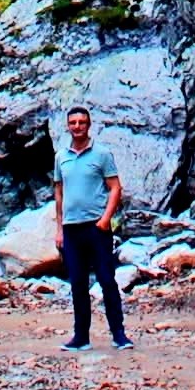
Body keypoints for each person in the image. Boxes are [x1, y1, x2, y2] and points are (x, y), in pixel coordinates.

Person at [52, 104, 132, 351]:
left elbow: (115, 187)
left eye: (82, 123)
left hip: (97, 227)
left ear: (89, 125)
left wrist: (105, 219)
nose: (77, 127)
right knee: (77, 283)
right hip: (71, 229)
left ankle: (119, 335)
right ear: (68, 126)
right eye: (73, 123)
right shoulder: (60, 157)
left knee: (107, 280)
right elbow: (58, 192)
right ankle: (81, 337)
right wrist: (59, 229)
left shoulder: (102, 154)